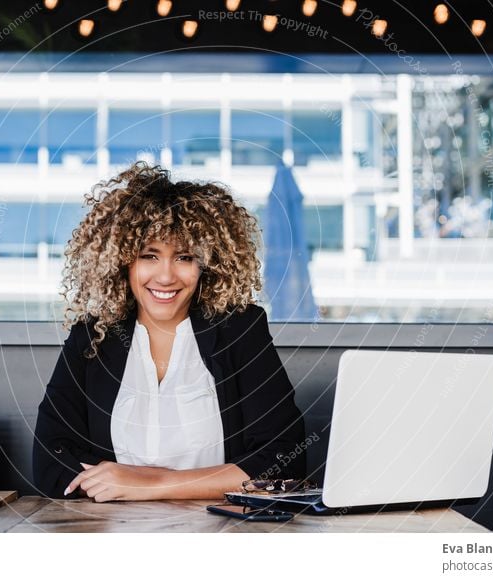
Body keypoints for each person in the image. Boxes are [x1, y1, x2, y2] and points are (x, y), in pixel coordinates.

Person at [33, 161, 306, 501]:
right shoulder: (92, 337)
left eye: (184, 257)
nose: (165, 277)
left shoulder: (240, 330)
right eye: (149, 255)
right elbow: (51, 462)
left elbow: (284, 460)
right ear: (122, 262)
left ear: (208, 264)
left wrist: (152, 484)